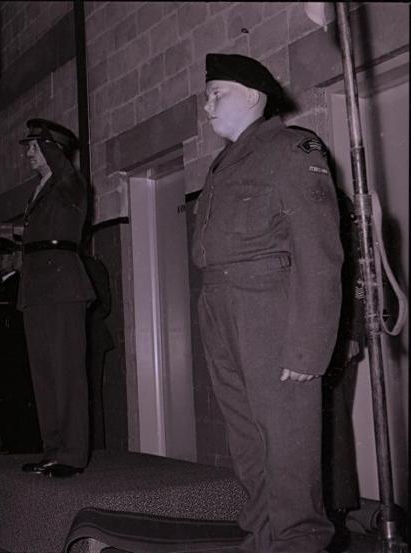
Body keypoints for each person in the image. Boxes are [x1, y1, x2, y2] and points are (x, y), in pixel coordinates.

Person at [192, 53, 343, 553]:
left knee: (288, 449)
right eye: (208, 94)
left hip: (270, 311)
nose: (208, 103)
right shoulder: (226, 160)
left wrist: (308, 347)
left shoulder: (291, 146)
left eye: (218, 92)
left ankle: (299, 544)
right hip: (221, 305)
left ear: (253, 97)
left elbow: (320, 251)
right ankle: (261, 542)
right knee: (248, 443)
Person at [17, 118, 96, 478]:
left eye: (35, 146)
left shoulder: (70, 184)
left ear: (53, 149)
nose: (28, 153)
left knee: (66, 371)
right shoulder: (40, 189)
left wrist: (52, 145)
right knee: (44, 373)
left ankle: (72, 454)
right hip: (36, 288)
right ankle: (53, 450)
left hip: (63, 286)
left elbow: (63, 168)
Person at [322, 189, 365, 552]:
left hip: (338, 339)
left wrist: (353, 334)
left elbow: (356, 277)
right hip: (311, 338)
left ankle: (335, 516)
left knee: (334, 428)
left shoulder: (337, 203)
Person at [0, 237, 42, 454]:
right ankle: (10, 442)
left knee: (17, 401)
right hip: (1, 357)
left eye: (2, 256)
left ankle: (19, 443)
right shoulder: (2, 286)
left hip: (14, 357)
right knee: (4, 402)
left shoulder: (18, 284)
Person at [81, 253, 114, 450]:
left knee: (92, 394)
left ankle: (97, 449)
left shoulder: (91, 265)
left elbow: (104, 305)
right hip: (75, 338)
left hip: (92, 337)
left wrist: (79, 319)